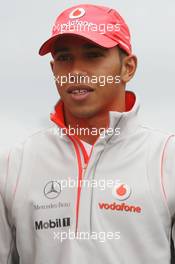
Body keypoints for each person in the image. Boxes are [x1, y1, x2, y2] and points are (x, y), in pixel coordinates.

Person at [0, 3, 174, 264]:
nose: (76, 71)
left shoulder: (166, 158)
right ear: (53, 70)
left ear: (128, 68)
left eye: (93, 55)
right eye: (64, 58)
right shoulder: (14, 164)